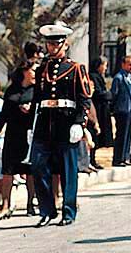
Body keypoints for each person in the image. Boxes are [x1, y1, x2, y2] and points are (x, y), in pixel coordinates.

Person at [29, 22, 92, 227]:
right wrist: (31, 125)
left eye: (56, 44)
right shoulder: (41, 70)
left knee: (68, 170)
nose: (52, 48)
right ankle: (47, 210)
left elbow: (84, 99)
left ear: (65, 44)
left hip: (66, 124)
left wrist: (79, 123)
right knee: (38, 166)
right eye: (49, 44)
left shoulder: (75, 68)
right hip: (45, 124)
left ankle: (68, 211)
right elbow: (37, 100)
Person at [0, 61, 37, 219]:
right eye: (33, 70)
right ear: (25, 71)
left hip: (29, 133)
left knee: (29, 171)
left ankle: (30, 203)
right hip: (13, 133)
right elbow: (5, 112)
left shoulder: (37, 90)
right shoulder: (12, 89)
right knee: (8, 170)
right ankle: (5, 204)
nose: (35, 73)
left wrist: (30, 109)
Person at [111, 55, 131, 167]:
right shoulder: (118, 77)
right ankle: (118, 158)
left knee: (128, 134)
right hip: (121, 110)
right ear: (123, 64)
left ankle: (125, 156)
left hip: (130, 109)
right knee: (121, 135)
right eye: (129, 64)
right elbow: (114, 94)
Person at [89, 57, 113, 148]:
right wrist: (109, 95)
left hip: (103, 108)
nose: (105, 68)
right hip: (97, 108)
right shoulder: (93, 76)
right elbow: (98, 93)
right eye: (104, 65)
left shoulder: (99, 77)